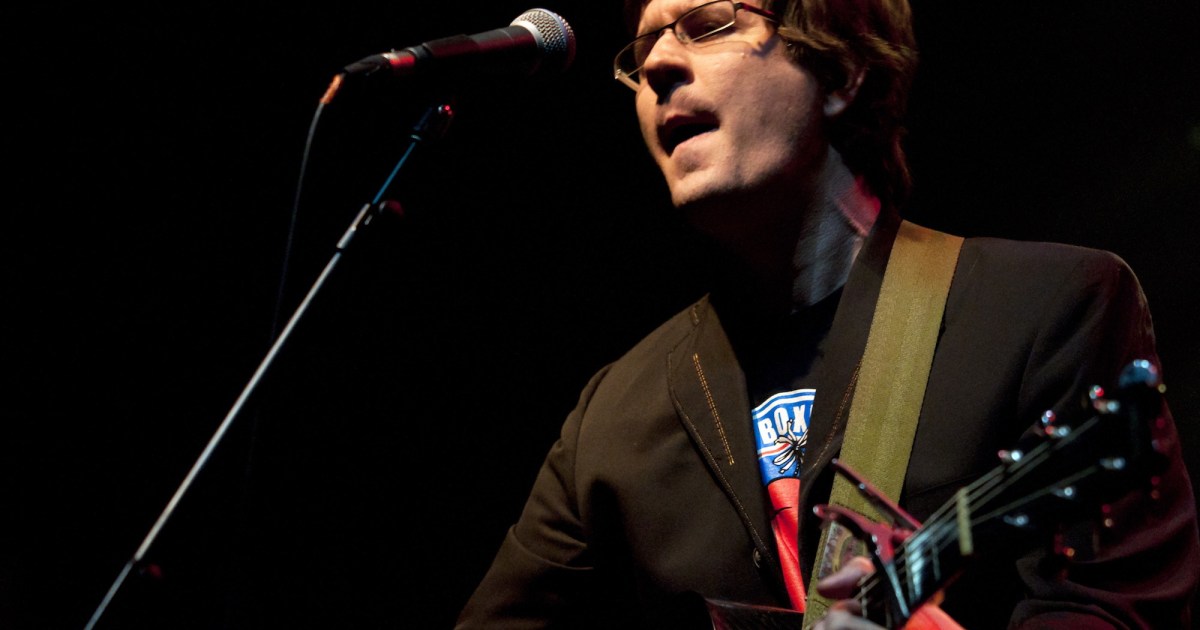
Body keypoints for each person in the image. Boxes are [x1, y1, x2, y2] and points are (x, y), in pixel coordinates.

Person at [455, 0, 1200, 627]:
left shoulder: (1045, 309)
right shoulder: (613, 414)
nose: (657, 67)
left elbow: (1110, 608)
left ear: (841, 72)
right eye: (643, 49)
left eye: (707, 25)